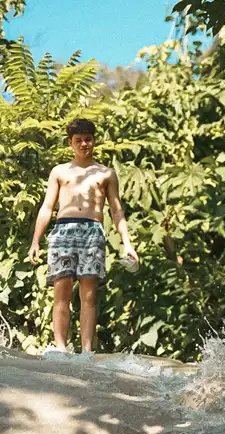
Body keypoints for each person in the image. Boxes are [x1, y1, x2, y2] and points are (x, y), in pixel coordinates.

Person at [28, 118, 138, 356]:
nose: (84, 144)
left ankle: (87, 351)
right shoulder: (59, 172)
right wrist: (35, 241)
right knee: (62, 292)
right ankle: (60, 349)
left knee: (88, 294)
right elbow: (47, 207)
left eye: (88, 139)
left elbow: (116, 209)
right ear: (70, 143)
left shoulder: (106, 173)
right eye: (78, 140)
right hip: (63, 231)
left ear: (94, 140)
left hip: (92, 232)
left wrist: (127, 243)